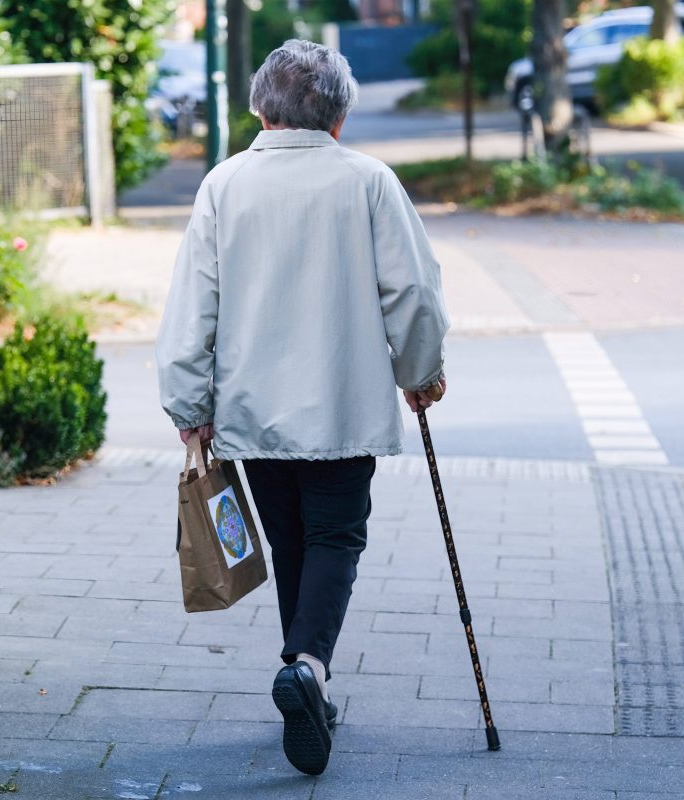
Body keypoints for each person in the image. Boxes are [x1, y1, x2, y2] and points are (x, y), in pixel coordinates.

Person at [156, 39, 449, 776]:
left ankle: (302, 672)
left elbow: (194, 306)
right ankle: (309, 669)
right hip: (343, 406)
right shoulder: (368, 181)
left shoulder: (225, 185)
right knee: (337, 537)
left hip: (252, 411)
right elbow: (411, 292)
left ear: (260, 108)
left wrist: (189, 402)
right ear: (339, 117)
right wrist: (421, 372)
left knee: (294, 540)